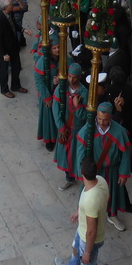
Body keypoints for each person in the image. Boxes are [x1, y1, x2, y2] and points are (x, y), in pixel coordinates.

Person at [53, 156, 110, 265]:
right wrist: (80, 212)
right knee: (75, 248)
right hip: (82, 231)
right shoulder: (100, 181)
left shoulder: (91, 200)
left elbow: (92, 231)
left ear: (82, 173)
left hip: (89, 238)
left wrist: (88, 252)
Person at [77, 100, 132, 229]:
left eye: (105, 120)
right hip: (93, 171)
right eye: (99, 119)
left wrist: (124, 173)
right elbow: (80, 153)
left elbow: (125, 153)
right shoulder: (88, 129)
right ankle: (88, 217)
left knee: (111, 194)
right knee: (91, 196)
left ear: (111, 118)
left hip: (111, 170)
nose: (101, 122)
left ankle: (112, 215)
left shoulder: (119, 131)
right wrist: (82, 172)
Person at [53, 63, 89, 191]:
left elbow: (84, 116)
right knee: (65, 155)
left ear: (79, 77)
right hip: (66, 129)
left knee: (76, 156)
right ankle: (69, 178)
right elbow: (55, 107)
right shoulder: (62, 88)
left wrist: (77, 106)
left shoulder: (84, 92)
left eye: (74, 77)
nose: (71, 80)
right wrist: (60, 126)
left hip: (78, 130)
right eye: (69, 76)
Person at [0, 0, 27, 98]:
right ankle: (4, 89)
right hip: (5, 50)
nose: (13, 6)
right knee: (4, 70)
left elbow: (14, 25)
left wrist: (22, 30)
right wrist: (3, 54)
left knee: (16, 66)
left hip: (13, 46)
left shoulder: (10, 13)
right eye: (11, 5)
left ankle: (16, 85)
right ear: (6, 7)